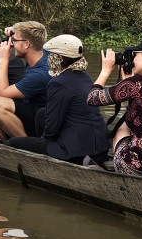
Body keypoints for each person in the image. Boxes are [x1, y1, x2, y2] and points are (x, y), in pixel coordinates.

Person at [6, 34, 108, 163]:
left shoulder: (59, 82)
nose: (48, 59)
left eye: (50, 55)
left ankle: (47, 162)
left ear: (59, 58)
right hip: (99, 147)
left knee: (14, 143)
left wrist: (42, 144)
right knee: (41, 114)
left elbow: (51, 129)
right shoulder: (85, 76)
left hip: (77, 152)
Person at [87, 37, 142, 175]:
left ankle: (121, 167)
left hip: (135, 166)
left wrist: (105, 71)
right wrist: (128, 87)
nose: (132, 60)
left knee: (121, 128)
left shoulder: (136, 82)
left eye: (135, 54)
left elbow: (92, 98)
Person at [0, 21, 50, 139]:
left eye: (13, 40)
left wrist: (4, 59)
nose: (11, 44)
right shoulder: (41, 52)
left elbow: (1, 93)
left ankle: (26, 144)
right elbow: (33, 33)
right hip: (29, 107)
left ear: (26, 44)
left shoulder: (40, 74)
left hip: (41, 120)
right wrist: (14, 31)